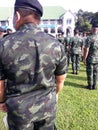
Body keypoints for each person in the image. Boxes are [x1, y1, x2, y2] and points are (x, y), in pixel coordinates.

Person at [0, 0, 67, 130]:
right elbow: (60, 80)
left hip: (19, 112)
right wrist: (52, 97)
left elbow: (0, 86)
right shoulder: (56, 44)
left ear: (17, 16)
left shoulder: (3, 45)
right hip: (47, 108)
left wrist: (2, 101)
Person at [84, 23, 98, 90]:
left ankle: (90, 85)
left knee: (90, 72)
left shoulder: (89, 38)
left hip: (90, 58)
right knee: (96, 72)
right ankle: (94, 85)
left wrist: (84, 58)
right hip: (97, 58)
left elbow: (86, 49)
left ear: (92, 29)